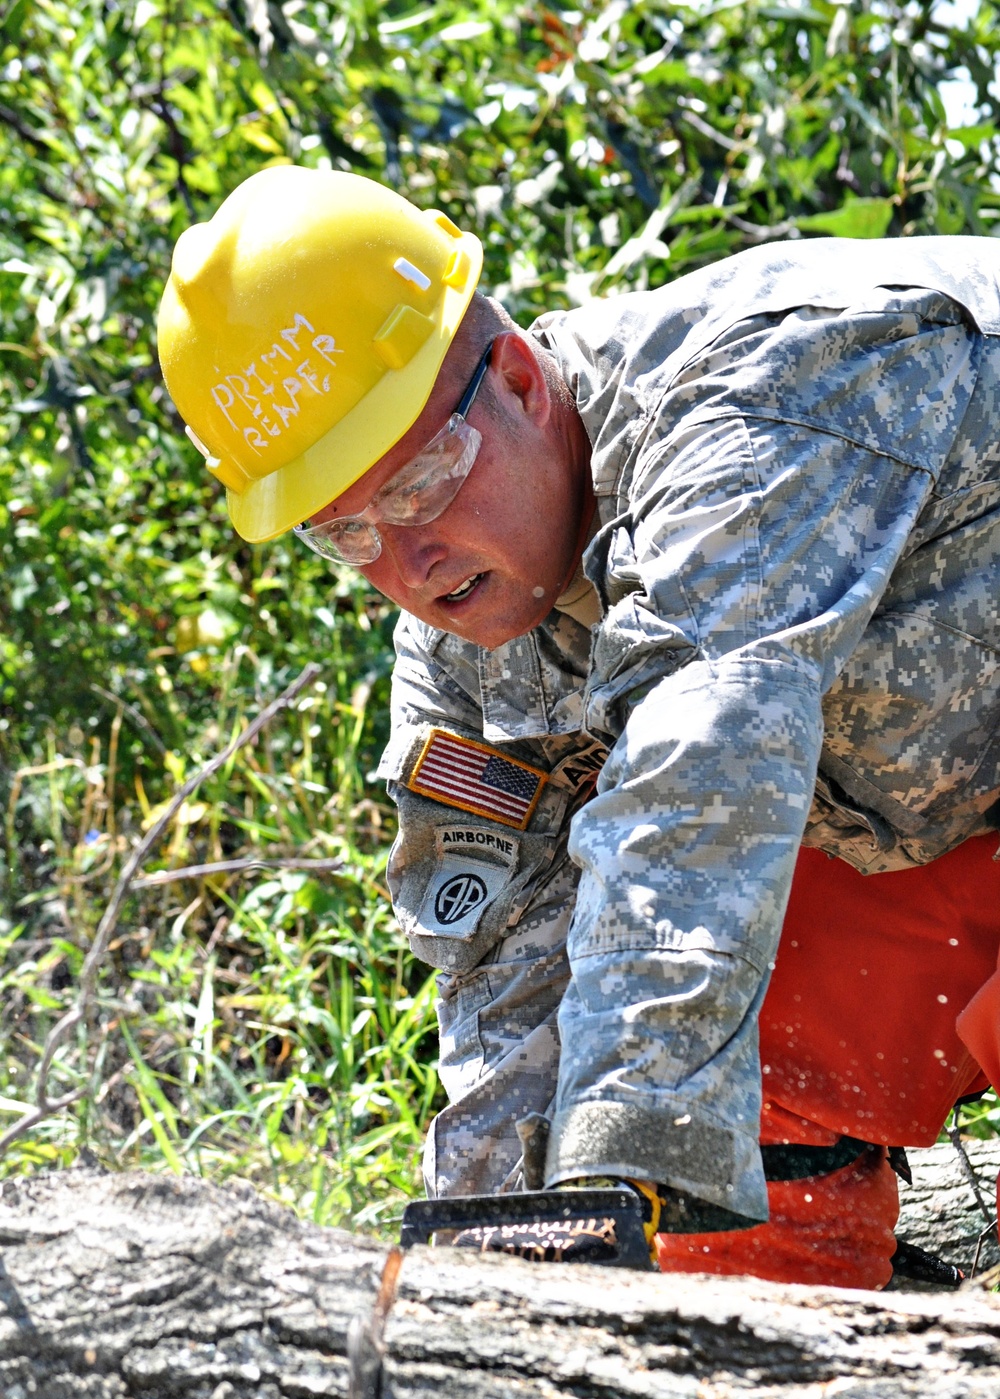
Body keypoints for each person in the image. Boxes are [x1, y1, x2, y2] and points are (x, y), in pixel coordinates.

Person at [158, 166, 1000, 1287]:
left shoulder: (768, 393)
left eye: (417, 487)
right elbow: (505, 958)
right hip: (947, 835)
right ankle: (776, 1379)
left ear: (515, 380)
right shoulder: (463, 638)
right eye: (342, 534)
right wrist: (502, 1269)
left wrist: (613, 1168)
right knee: (720, 1027)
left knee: (659, 1014)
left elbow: (699, 763)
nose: (406, 564)